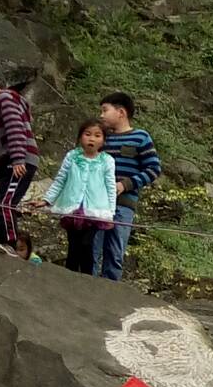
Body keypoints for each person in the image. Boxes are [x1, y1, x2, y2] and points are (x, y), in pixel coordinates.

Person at [94, 92, 161, 282]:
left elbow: (154, 169)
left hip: (124, 204)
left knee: (115, 253)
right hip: (97, 203)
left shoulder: (140, 137)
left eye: (105, 110)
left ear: (121, 112)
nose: (101, 115)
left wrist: (125, 185)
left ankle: (111, 295)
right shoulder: (102, 138)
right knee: (92, 248)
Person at [43, 118, 120, 274]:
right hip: (72, 209)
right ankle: (69, 277)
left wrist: (111, 213)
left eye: (97, 135)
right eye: (87, 134)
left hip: (95, 211)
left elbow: (111, 188)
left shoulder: (107, 161)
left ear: (103, 140)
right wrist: (47, 200)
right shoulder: (72, 156)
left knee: (87, 244)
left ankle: (87, 278)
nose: (91, 138)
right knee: (73, 245)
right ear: (80, 137)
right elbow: (60, 180)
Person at [0, 68, 40, 254]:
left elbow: (15, 128)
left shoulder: (5, 98)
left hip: (17, 162)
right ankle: (3, 243)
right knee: (0, 203)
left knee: (4, 204)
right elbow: (1, 145)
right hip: (10, 163)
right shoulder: (2, 104)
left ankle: (10, 245)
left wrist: (18, 158)